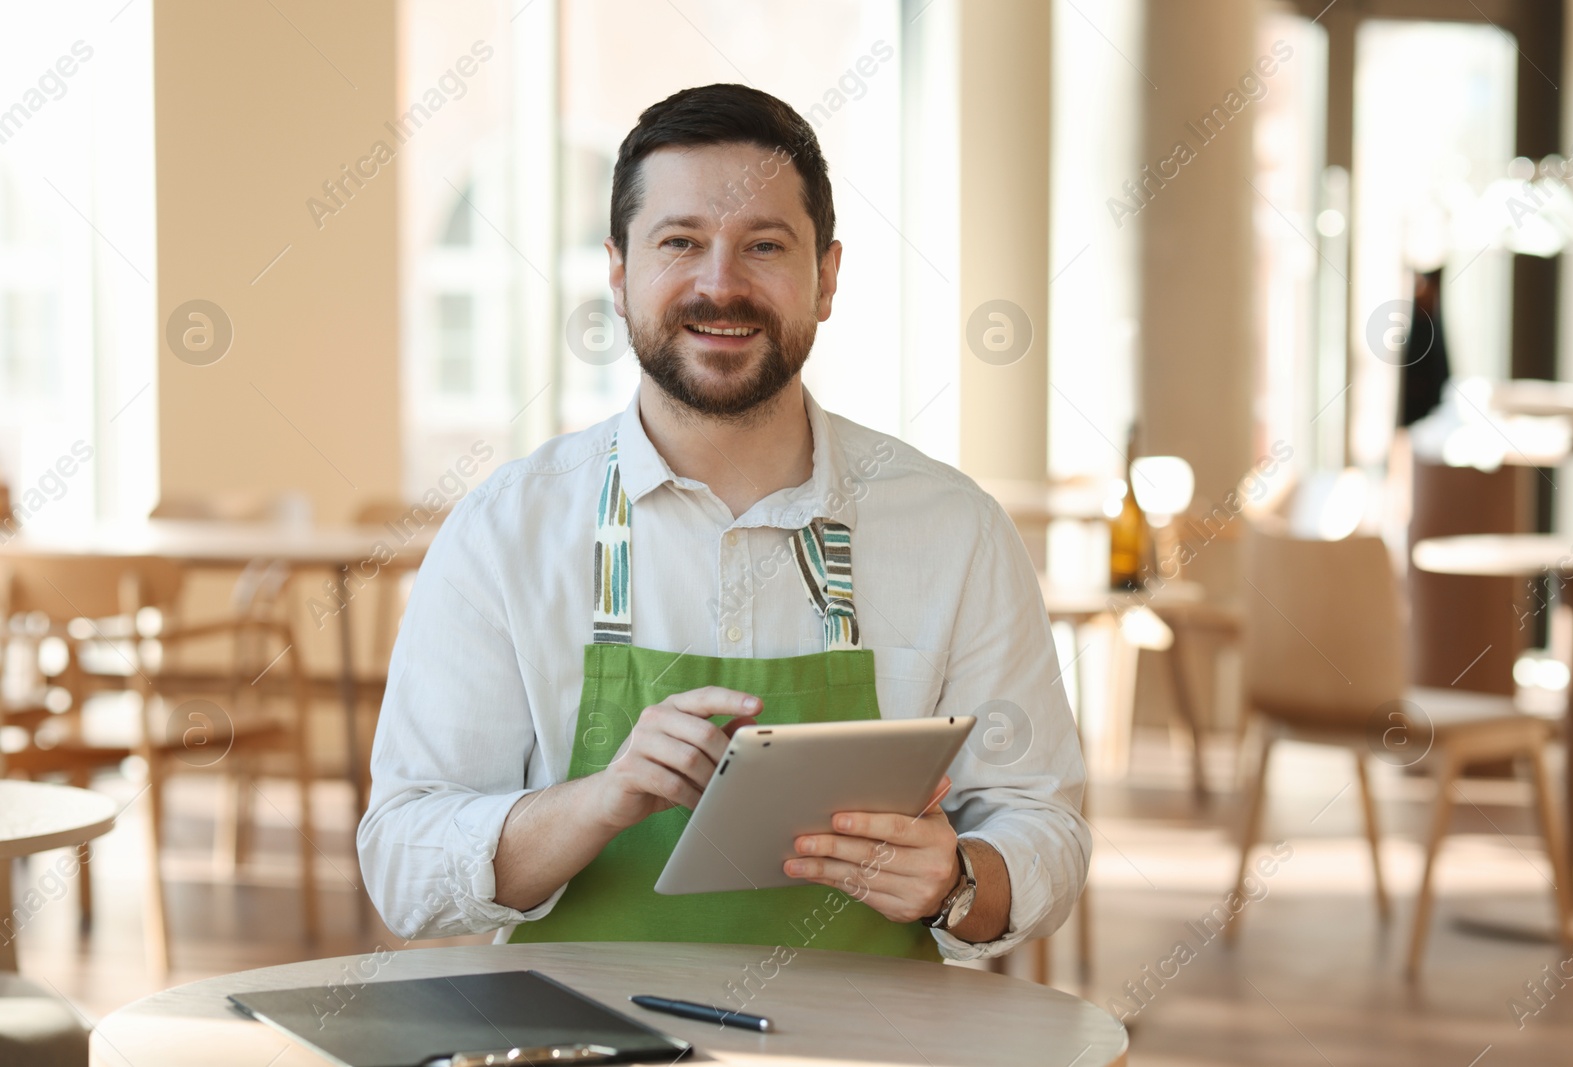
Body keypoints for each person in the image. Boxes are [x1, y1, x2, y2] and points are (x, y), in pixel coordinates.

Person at [358, 82, 1090, 962]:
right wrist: (598, 798)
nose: (720, 284)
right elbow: (403, 863)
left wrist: (959, 880)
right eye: (680, 243)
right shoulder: (502, 532)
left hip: (875, 1047)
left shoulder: (956, 530)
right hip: (587, 1039)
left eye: (764, 246)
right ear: (619, 272)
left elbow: (1044, 821)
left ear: (826, 279)